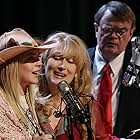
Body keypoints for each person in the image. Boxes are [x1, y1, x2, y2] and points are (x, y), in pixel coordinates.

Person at [88, 1, 140, 139]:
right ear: (96, 29)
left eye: (121, 31)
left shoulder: (138, 68)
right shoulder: (78, 62)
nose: (113, 36)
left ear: (131, 33)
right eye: (107, 29)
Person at [35, 32, 94, 140]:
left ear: (77, 71)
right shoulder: (28, 101)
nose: (62, 66)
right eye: (57, 58)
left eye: (70, 61)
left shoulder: (87, 107)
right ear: (44, 62)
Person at [0, 28, 56, 140]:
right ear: (13, 65)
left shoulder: (32, 100)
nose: (39, 63)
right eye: (31, 58)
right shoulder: (2, 104)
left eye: (38, 57)